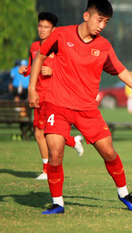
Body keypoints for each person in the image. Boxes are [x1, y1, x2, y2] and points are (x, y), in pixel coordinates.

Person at [28, 0, 132, 214]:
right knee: (55, 153)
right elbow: (40, 57)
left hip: (87, 110)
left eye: (106, 22)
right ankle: (57, 203)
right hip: (57, 106)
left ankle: (124, 193)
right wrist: (32, 89)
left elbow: (122, 71)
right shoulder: (61, 34)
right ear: (86, 15)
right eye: (99, 20)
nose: (102, 26)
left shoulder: (104, 47)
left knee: (109, 153)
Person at [19, 12, 84, 181]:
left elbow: (72, 70)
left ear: (53, 29)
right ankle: (72, 142)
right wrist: (26, 70)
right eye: (40, 26)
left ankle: (47, 170)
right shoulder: (34, 47)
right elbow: (34, 67)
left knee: (44, 132)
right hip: (38, 95)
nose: (42, 30)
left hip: (53, 96)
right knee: (40, 133)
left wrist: (54, 70)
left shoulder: (60, 46)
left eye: (46, 27)